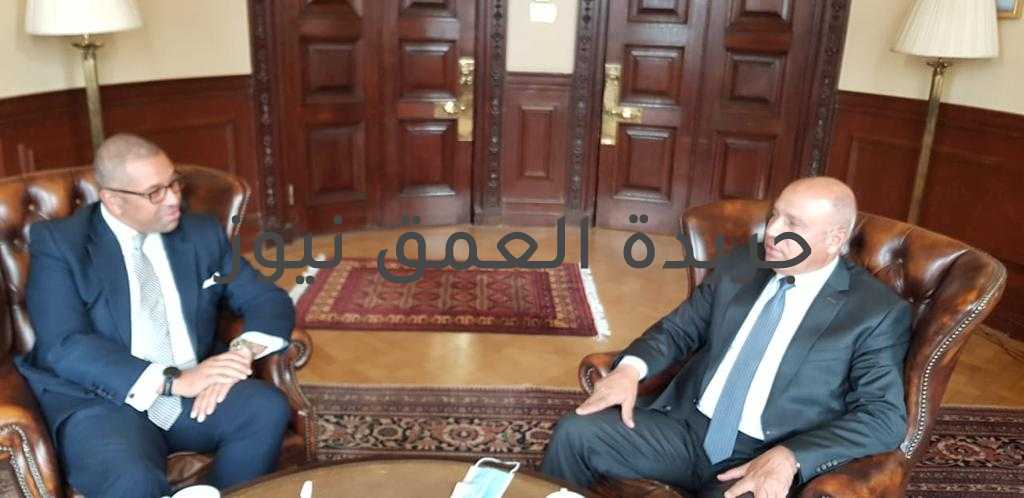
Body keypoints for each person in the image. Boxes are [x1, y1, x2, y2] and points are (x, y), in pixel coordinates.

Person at [541, 177, 911, 498]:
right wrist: (629, 370)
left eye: (792, 224)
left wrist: (792, 456)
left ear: (834, 239)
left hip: (762, 453)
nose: (771, 231)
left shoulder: (874, 311)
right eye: (774, 215)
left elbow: (883, 416)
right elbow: (679, 329)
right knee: (576, 432)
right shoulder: (746, 263)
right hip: (688, 428)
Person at [14, 134, 295, 497]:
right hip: (103, 400)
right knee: (132, 480)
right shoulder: (62, 244)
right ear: (113, 200)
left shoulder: (201, 233)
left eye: (173, 183)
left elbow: (265, 298)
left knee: (266, 408)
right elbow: (64, 345)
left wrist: (239, 355)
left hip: (195, 392)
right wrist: (173, 381)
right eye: (155, 193)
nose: (174, 199)